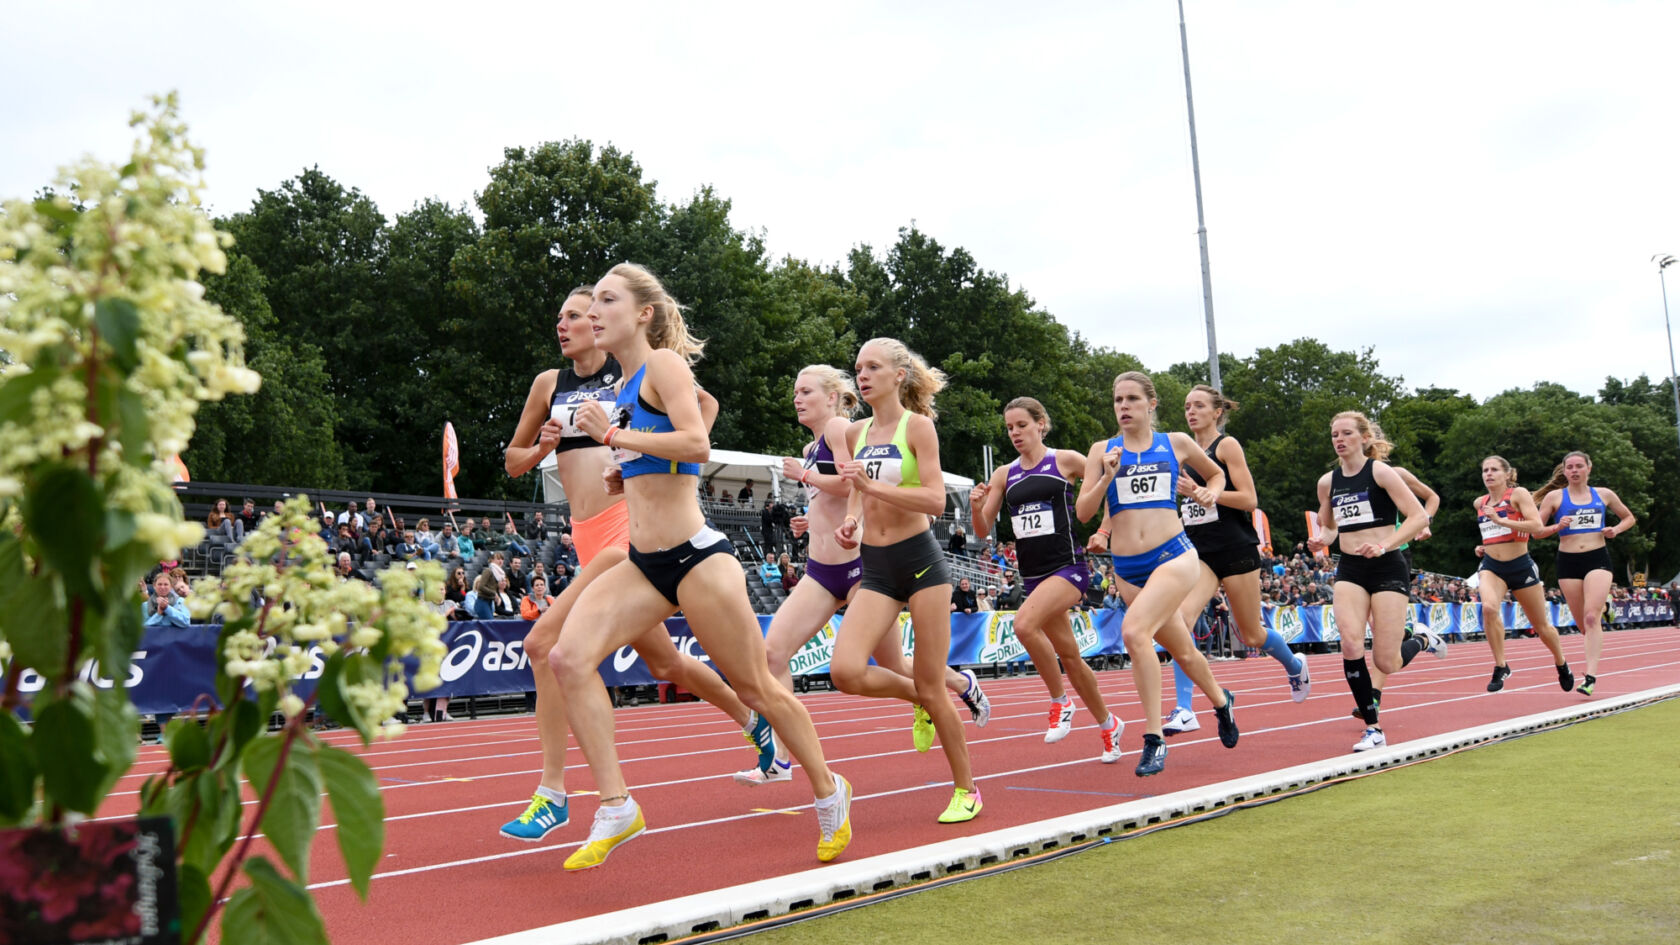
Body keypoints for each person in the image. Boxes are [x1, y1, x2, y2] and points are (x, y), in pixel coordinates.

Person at [536, 269, 850, 868]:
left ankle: (830, 789)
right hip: (644, 562)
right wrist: (621, 467)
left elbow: (697, 444)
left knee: (756, 687)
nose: (594, 312)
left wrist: (619, 437)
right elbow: (662, 455)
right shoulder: (627, 383)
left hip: (697, 559)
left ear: (644, 314)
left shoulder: (662, 368)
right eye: (591, 303)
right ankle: (617, 805)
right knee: (565, 657)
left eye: (608, 301)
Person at [736, 363, 983, 785]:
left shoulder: (838, 428)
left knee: (895, 664)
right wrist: (807, 519)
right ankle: (780, 756)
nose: (797, 398)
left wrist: (810, 478)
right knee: (772, 654)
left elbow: (857, 483)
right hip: (820, 569)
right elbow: (842, 494)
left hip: (860, 567)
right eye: (796, 391)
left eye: (807, 391)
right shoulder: (817, 443)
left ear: (832, 398)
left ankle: (952, 686)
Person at [831, 337, 985, 823]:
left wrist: (874, 487)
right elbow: (856, 491)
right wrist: (852, 519)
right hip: (875, 565)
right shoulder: (856, 431)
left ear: (899, 374)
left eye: (873, 367)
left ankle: (967, 790)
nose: (863, 375)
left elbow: (937, 500)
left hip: (920, 562)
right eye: (858, 368)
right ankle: (925, 697)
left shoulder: (918, 427)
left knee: (932, 681)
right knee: (845, 671)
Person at [1074, 372, 1238, 776]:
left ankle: (1153, 739)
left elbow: (1216, 474)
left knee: (1134, 633)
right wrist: (1107, 477)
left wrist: (1209, 492)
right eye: (1117, 400)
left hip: (1174, 556)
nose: (1123, 407)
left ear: (1151, 404)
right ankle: (1221, 701)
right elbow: (1083, 512)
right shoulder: (1102, 450)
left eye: (1132, 399)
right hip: (1127, 567)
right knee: (1183, 650)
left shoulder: (1176, 443)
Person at [970, 396, 1121, 761]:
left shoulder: (1065, 460)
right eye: (1009, 428)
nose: (1015, 433)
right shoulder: (1004, 474)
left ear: (1041, 423)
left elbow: (1111, 488)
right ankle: (1109, 724)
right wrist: (976, 507)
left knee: (1023, 625)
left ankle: (1059, 701)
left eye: (1021, 425)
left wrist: (1103, 530)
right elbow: (982, 530)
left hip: (1068, 568)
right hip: (1033, 575)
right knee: (1070, 656)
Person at [1162, 385, 1310, 737]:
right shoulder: (1181, 453)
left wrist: (1206, 493)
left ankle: (1294, 665)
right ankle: (1185, 708)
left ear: (1217, 412)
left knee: (1252, 634)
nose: (1191, 411)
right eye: (1186, 406)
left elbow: (1248, 499)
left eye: (1199, 405)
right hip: (1198, 552)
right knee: (1179, 620)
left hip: (1235, 548)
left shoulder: (1225, 446)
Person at [1307, 411, 1448, 752]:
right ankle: (1373, 728)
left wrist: (1385, 544)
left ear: (1364, 438)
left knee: (1387, 662)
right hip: (1351, 570)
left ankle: (1422, 640)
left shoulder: (1382, 473)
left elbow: (1417, 516)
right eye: (1334, 435)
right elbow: (1329, 526)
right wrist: (1319, 540)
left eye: (1346, 434)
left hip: (1387, 567)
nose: (1339, 440)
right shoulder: (1328, 482)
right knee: (1351, 643)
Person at [1533, 450, 1636, 696]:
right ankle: (1605, 607)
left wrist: (1616, 530)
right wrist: (1558, 526)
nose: (1575, 470)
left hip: (1597, 558)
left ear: (1589, 468)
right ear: (1564, 470)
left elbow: (1629, 517)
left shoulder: (1604, 494)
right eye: (1570, 467)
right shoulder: (1555, 497)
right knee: (1583, 626)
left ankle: (1590, 677)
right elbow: (1536, 531)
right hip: (1568, 562)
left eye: (1579, 466)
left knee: (1591, 619)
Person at [1470, 455, 1574, 692]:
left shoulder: (1518, 495)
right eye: (1485, 470)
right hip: (1492, 567)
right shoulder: (1480, 502)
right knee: (1488, 608)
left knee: (1541, 627)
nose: (1488, 474)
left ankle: (1561, 662)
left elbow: (1536, 527)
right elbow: (1491, 531)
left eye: (1494, 469)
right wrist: (1484, 545)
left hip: (1520, 566)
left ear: (1507, 474)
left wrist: (1501, 520)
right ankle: (1501, 665)